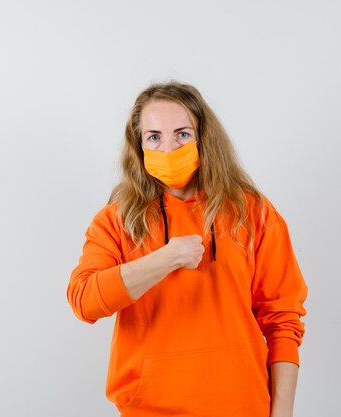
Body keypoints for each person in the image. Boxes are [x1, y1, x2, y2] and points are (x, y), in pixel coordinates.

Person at [67, 81, 308, 417]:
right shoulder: (117, 220)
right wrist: (164, 259)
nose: (168, 148)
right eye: (154, 137)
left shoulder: (253, 213)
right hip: (148, 409)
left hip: (243, 406)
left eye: (182, 134)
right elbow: (84, 301)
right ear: (138, 147)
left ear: (203, 138)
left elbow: (283, 320)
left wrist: (282, 413)